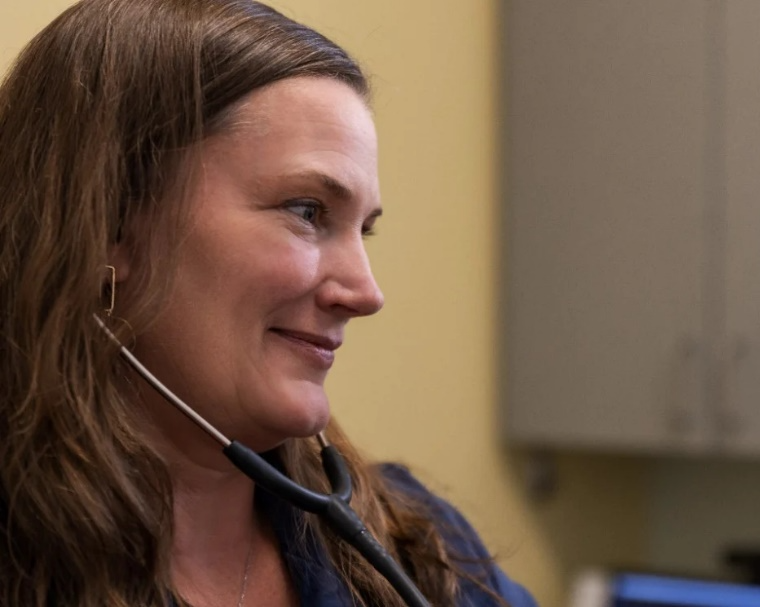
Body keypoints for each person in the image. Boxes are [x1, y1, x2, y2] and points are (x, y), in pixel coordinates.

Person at [0, 1, 538, 605]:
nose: (365, 294)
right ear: (108, 222)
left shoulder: (421, 554)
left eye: (363, 231)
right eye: (307, 212)